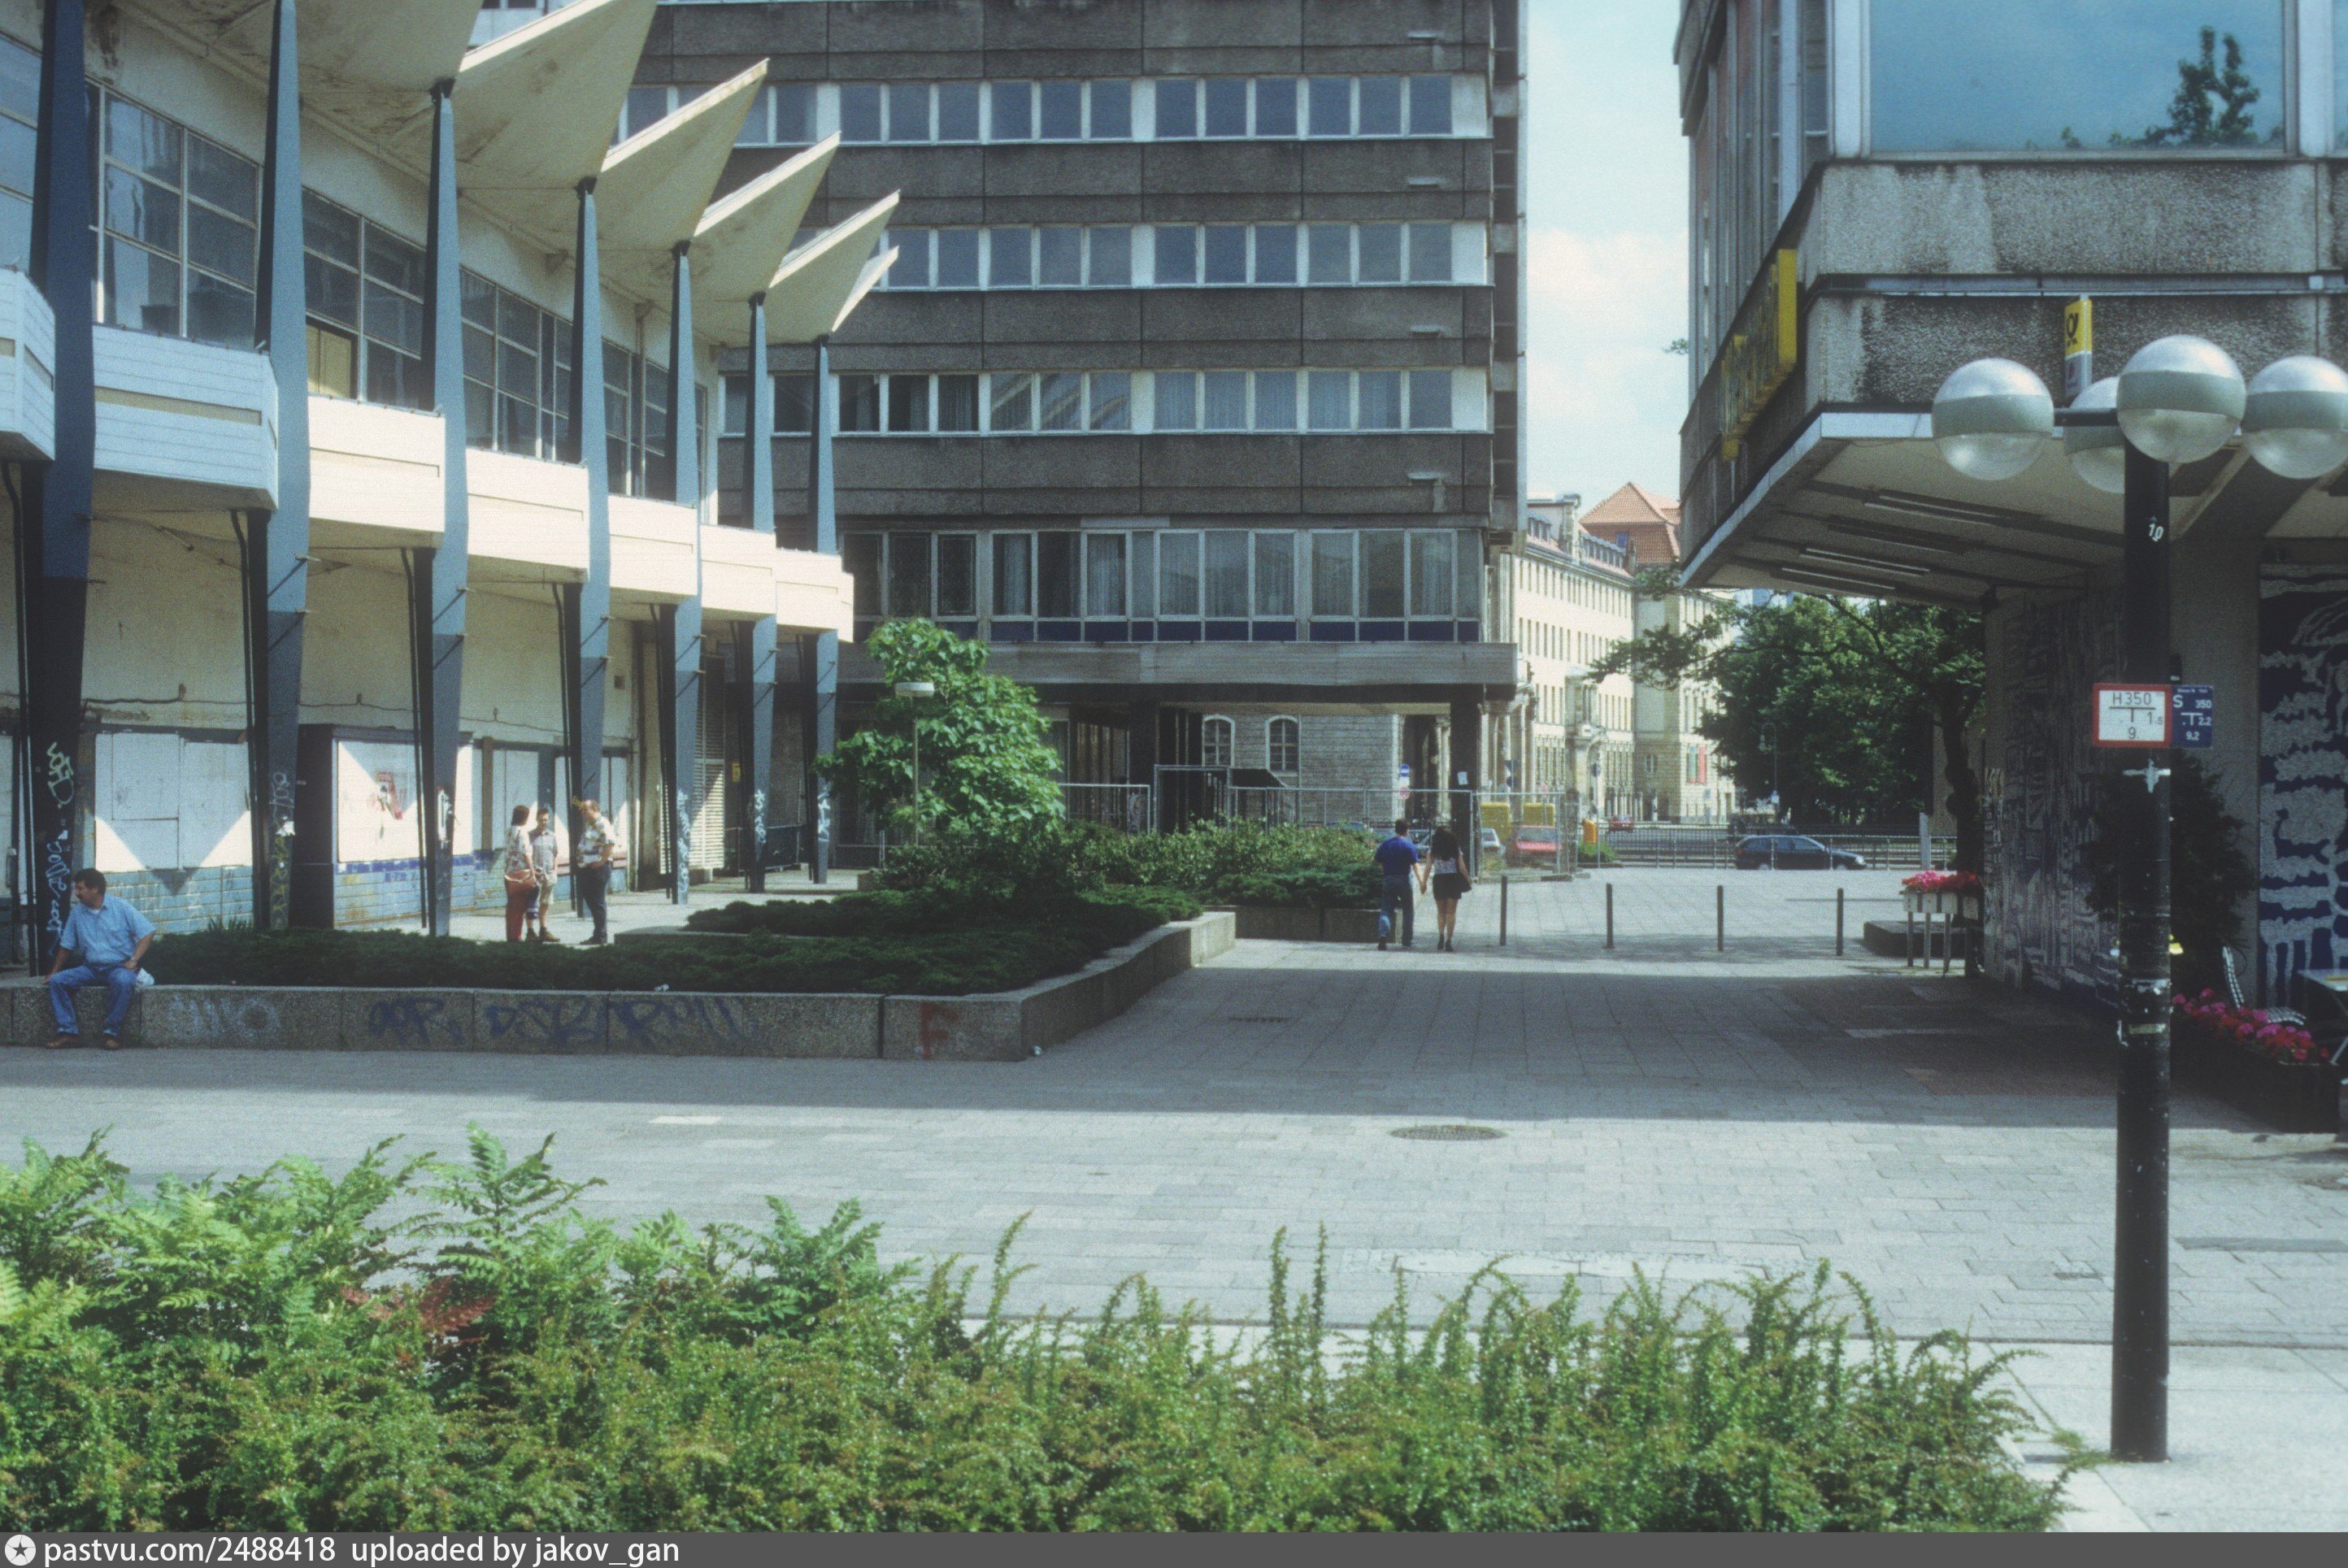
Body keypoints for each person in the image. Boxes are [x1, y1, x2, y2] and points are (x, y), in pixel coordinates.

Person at [45, 868, 156, 1049]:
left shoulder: (120, 907)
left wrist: (134, 960)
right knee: (58, 981)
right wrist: (54, 972)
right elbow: (67, 945)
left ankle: (111, 1033)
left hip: (118, 966)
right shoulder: (77, 913)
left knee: (124, 981)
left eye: (80, 888)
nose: (76, 893)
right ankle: (68, 1033)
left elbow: (148, 932)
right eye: (76, 889)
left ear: (94, 889)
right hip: (90, 968)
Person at [1372, 818, 1420, 952]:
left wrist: (1385, 871)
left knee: (1386, 908)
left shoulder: (1386, 844)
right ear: (1407, 830)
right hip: (1404, 879)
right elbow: (1415, 866)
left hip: (1389, 878)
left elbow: (1378, 861)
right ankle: (1406, 941)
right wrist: (1422, 882)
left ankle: (1383, 936)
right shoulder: (1408, 846)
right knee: (1408, 910)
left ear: (1396, 829)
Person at [575, 797, 615, 945]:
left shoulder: (602, 824)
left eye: (585, 809)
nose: (582, 812)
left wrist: (602, 861)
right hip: (587, 868)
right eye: (582, 809)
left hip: (597, 869)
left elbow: (609, 844)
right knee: (592, 901)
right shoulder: (591, 825)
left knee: (597, 902)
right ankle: (598, 933)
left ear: (595, 810)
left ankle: (600, 936)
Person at [1426, 824, 1472, 952]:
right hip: (1453, 880)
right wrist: (1468, 880)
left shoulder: (1433, 849)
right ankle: (1448, 941)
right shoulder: (1455, 848)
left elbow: (1428, 867)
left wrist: (1423, 883)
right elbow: (1462, 867)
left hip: (1439, 880)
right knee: (1451, 912)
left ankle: (1441, 935)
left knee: (1441, 912)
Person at [502, 803, 537, 942]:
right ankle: (516, 937)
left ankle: (511, 935)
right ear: (525, 818)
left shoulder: (509, 831)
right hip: (521, 874)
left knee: (511, 907)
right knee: (520, 907)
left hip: (509, 873)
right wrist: (532, 871)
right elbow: (526, 853)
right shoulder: (522, 832)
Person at [529, 805, 562, 942]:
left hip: (549, 874)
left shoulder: (552, 836)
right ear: (537, 819)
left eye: (546, 820)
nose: (543, 822)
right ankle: (530, 932)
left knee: (545, 903)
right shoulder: (530, 836)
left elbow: (555, 854)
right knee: (531, 904)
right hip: (535, 875)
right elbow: (527, 855)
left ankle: (543, 930)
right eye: (541, 819)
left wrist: (555, 871)